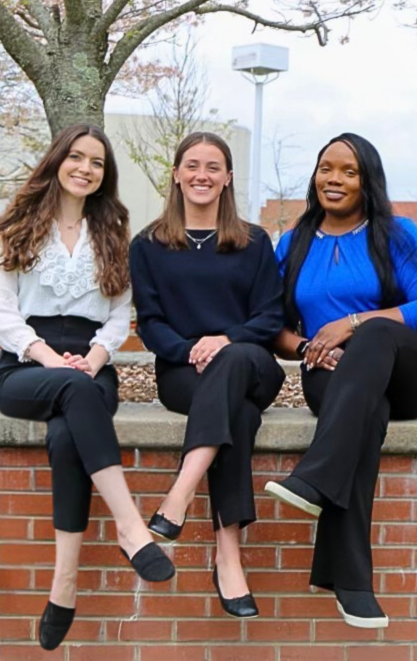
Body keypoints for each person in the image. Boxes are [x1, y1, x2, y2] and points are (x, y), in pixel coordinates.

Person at [0, 124, 175, 651]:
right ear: (58, 161)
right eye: (76, 157)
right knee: (73, 394)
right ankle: (131, 527)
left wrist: (92, 359)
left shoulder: (112, 230)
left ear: (104, 174)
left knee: (70, 432)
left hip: (91, 365)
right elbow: (1, 316)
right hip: (25, 363)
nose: (85, 168)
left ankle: (63, 586)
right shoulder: (17, 227)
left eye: (96, 162)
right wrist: (49, 358)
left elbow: (119, 316)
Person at [264, 133, 417, 629]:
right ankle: (352, 585)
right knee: (362, 415)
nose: (335, 179)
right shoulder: (294, 242)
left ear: (367, 180)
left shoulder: (396, 233)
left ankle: (315, 477)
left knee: (373, 334)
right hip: (333, 376)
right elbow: (269, 326)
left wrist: (353, 323)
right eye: (326, 168)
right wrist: (306, 348)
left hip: (407, 374)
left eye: (349, 171)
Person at [130, 132, 285, 619]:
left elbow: (271, 316)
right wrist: (190, 350)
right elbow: (150, 323)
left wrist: (226, 339)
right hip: (183, 373)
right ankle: (228, 553)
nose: (202, 175)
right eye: (192, 165)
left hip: (251, 363)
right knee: (235, 415)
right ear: (175, 173)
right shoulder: (148, 245)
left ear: (228, 178)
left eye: (213, 167)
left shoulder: (255, 241)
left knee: (235, 359)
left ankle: (179, 495)